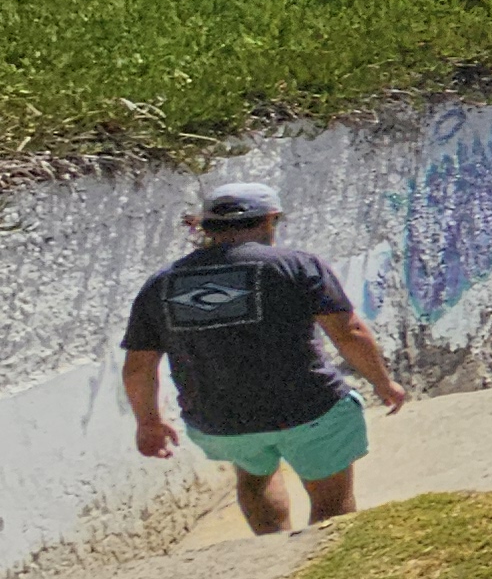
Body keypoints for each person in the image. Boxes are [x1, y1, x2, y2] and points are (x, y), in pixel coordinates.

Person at [121, 184, 409, 533]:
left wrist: (148, 422)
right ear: (271, 219)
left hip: (223, 423)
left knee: (254, 473)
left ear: (205, 226)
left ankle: (271, 553)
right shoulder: (295, 265)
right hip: (310, 411)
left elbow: (138, 367)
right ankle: (319, 566)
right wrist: (383, 382)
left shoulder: (161, 284)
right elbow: (350, 333)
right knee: (330, 501)